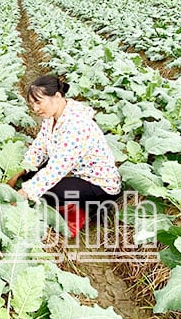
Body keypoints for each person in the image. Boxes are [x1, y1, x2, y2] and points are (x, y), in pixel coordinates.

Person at [7, 75, 122, 233]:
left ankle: (80, 213)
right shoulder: (52, 117)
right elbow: (39, 148)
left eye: (39, 102)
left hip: (99, 185)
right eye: (32, 104)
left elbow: (56, 170)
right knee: (29, 175)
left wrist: (22, 194)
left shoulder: (76, 125)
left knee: (44, 191)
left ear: (57, 96)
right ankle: (67, 203)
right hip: (75, 173)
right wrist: (16, 173)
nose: (35, 109)